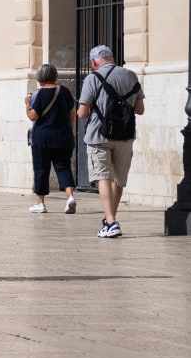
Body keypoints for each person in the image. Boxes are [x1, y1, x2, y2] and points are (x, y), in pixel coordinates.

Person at [76, 44, 143, 239]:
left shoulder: (92, 78)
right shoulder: (131, 76)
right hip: (125, 136)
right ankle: (110, 220)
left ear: (94, 62)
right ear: (111, 58)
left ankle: (112, 222)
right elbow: (140, 109)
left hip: (99, 135)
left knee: (102, 177)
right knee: (119, 179)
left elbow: (82, 113)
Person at [25, 62, 77, 215]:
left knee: (41, 169)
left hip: (43, 139)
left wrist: (27, 105)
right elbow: (72, 112)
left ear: (40, 78)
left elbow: (33, 116)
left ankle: (40, 203)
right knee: (63, 167)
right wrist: (69, 130)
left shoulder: (38, 95)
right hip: (63, 137)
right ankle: (70, 197)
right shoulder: (65, 92)